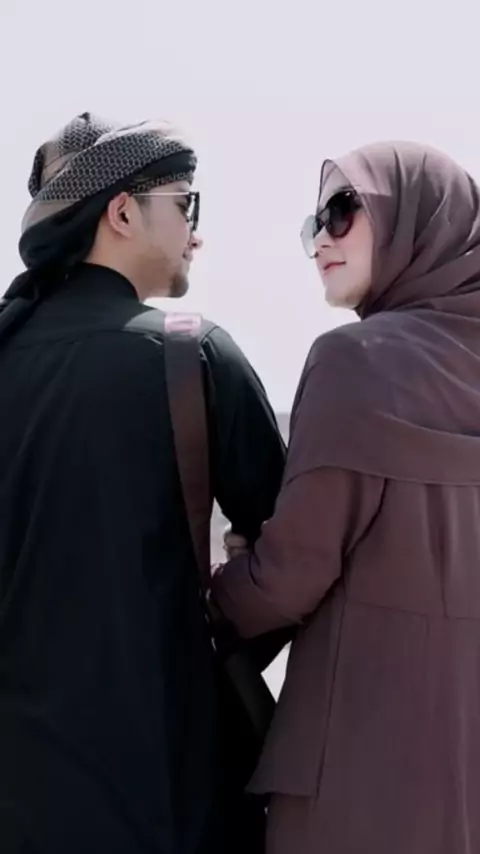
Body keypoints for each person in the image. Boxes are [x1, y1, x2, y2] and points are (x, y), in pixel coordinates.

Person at [0, 113, 286, 854]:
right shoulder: (190, 356)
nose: (196, 232)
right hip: (166, 788)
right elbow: (294, 565)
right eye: (186, 204)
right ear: (123, 212)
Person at [213, 141, 480, 854]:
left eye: (342, 211)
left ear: (417, 219)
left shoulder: (354, 360)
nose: (320, 241)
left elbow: (289, 577)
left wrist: (216, 591)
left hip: (359, 771)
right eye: (314, 224)